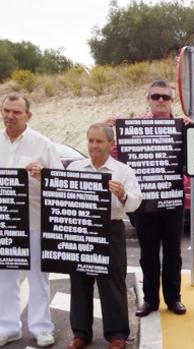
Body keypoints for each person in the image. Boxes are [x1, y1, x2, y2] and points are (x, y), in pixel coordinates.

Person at [107, 80, 189, 317]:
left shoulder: (182, 127)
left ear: (172, 101)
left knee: (173, 253)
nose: (161, 101)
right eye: (156, 97)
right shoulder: (132, 128)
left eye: (165, 97)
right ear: (148, 99)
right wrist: (110, 129)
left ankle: (174, 299)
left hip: (172, 200)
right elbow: (115, 157)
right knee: (148, 254)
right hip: (143, 202)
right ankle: (150, 300)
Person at [66, 123, 142, 349]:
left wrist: (123, 194)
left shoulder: (123, 171)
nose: (94, 146)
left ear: (111, 144)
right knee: (79, 281)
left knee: (112, 282)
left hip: (111, 229)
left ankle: (117, 334)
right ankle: (80, 333)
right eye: (91, 141)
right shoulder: (75, 167)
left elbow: (136, 203)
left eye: (99, 141)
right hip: (81, 230)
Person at [0, 93, 60, 347]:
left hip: (35, 220)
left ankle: (41, 328)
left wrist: (43, 176)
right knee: (5, 277)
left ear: (28, 115)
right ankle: (8, 327)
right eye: (6, 111)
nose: (10, 116)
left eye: (16, 112)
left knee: (38, 276)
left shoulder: (43, 144)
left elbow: (60, 182)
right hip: (4, 222)